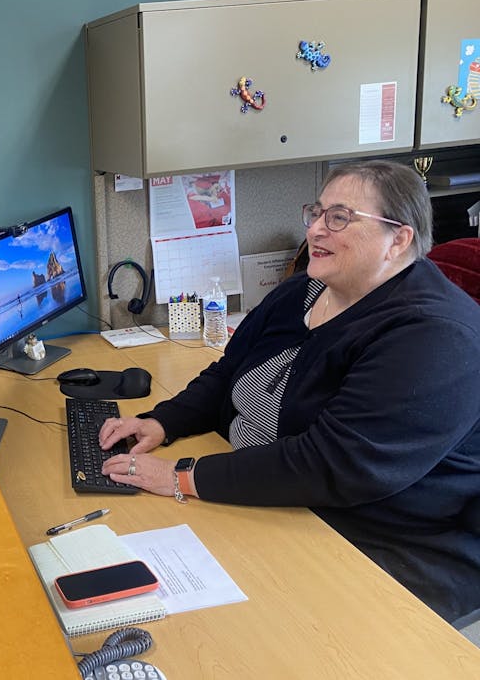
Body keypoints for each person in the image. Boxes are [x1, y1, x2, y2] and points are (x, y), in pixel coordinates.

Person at [98, 160, 480, 630]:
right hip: (265, 495)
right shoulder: (308, 288)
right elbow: (228, 371)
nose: (315, 229)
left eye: (339, 218)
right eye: (317, 212)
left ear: (398, 240)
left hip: (373, 539)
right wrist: (163, 422)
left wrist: (180, 476)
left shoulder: (434, 337)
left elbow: (332, 465)